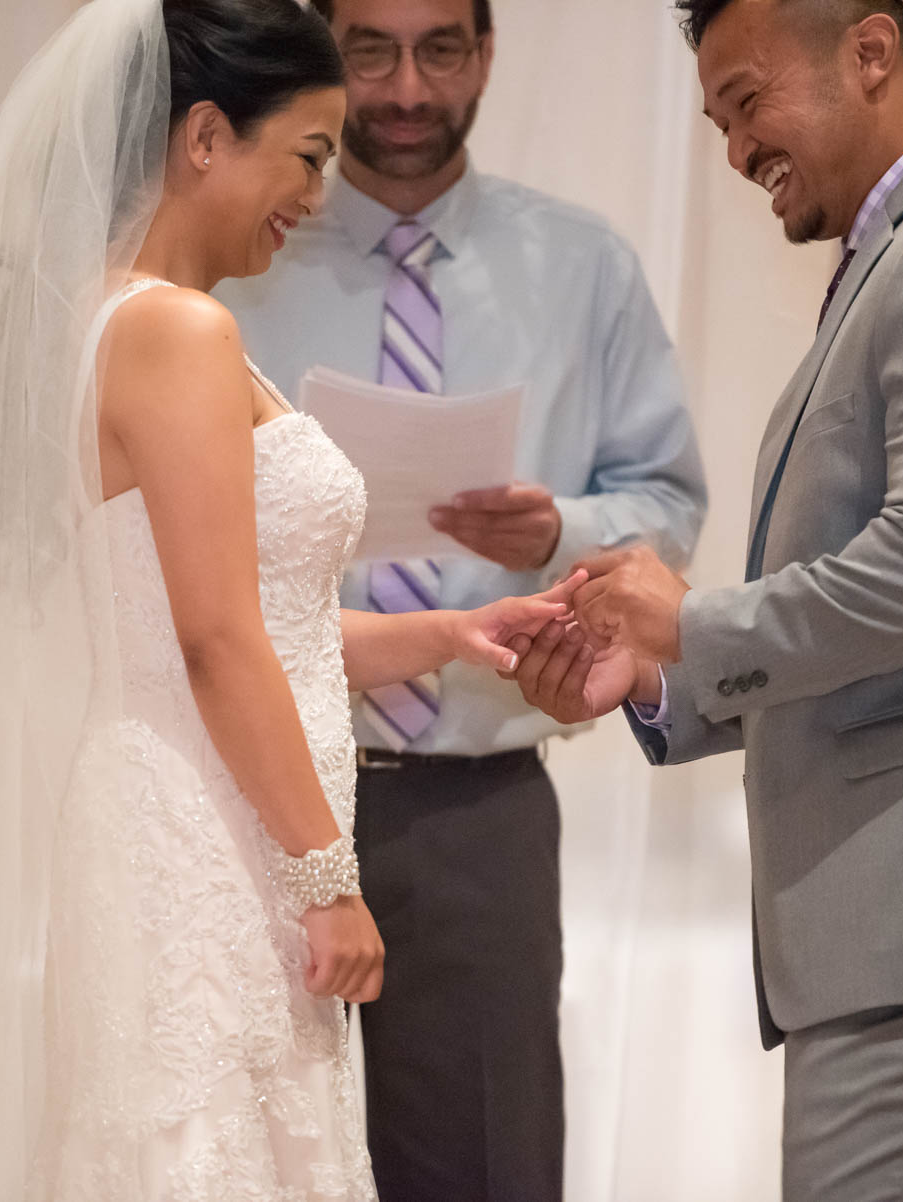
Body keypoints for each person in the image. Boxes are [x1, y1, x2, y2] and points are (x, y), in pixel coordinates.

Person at [0, 2, 577, 1198]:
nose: (314, 194)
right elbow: (212, 641)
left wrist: (450, 634)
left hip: (207, 808)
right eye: (305, 156)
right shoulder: (176, 331)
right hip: (204, 827)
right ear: (206, 135)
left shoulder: (145, 320)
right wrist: (328, 876)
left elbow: (244, 619)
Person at [504, 1, 903, 1199]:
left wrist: (691, 626)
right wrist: (654, 680)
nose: (736, 149)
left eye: (746, 102)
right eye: (718, 119)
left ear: (869, 51)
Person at [214, 1, 707, 1196]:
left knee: (485, 1157)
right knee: (254, 1147)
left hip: (479, 802)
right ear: (329, 52)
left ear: (486, 54)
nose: (405, 89)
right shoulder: (244, 255)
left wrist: (560, 532)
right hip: (256, 788)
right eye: (370, 51)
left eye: (441, 49)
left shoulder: (584, 266)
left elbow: (668, 501)